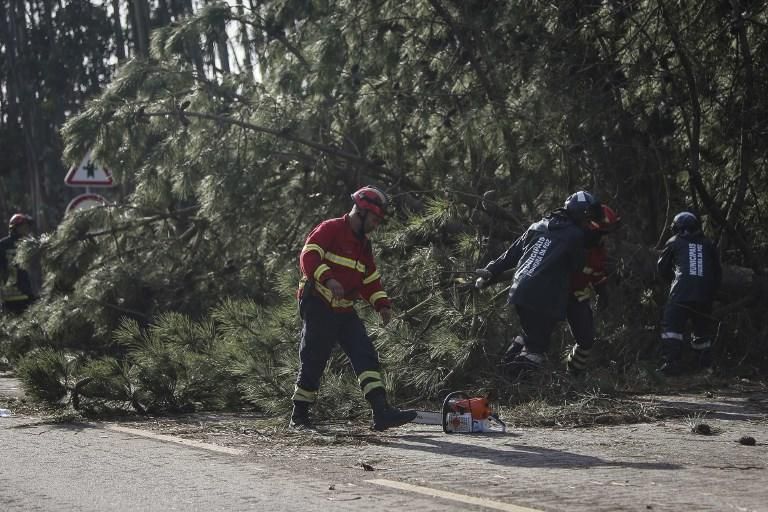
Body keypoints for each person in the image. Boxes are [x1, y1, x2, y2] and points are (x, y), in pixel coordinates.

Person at [290, 186, 417, 431]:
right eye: (374, 219)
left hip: (344, 308)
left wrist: (382, 304)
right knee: (314, 356)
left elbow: (369, 280)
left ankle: (381, 412)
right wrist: (329, 279)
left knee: (364, 352)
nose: (376, 225)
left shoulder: (364, 246)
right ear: (360, 212)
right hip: (318, 301)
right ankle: (299, 416)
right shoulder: (331, 229)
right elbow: (308, 257)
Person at [475, 191, 600, 374]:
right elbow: (577, 266)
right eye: (588, 219)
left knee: (530, 336)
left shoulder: (538, 225)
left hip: (520, 291)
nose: (589, 224)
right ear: (581, 215)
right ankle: (515, 387)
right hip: (543, 296)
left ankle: (502, 374)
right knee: (537, 347)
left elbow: (512, 253)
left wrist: (491, 270)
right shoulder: (575, 235)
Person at [656, 211, 722, 376]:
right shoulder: (708, 244)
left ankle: (671, 364)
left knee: (671, 327)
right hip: (705, 295)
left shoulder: (674, 242)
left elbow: (662, 268)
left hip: (680, 293)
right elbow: (717, 272)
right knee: (701, 330)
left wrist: (673, 281)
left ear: (677, 228)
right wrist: (711, 293)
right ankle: (704, 367)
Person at [564, 204, 621, 374]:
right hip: (555, 294)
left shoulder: (598, 248)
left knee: (586, 340)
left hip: (577, 297)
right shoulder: (567, 240)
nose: (604, 238)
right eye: (602, 233)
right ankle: (516, 370)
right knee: (535, 335)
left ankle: (573, 375)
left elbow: (596, 271)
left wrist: (602, 291)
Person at [0, 213, 36, 314]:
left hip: (8, 298)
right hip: (24, 296)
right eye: (24, 226)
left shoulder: (2, 245)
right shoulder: (27, 245)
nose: (27, 230)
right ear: (15, 228)